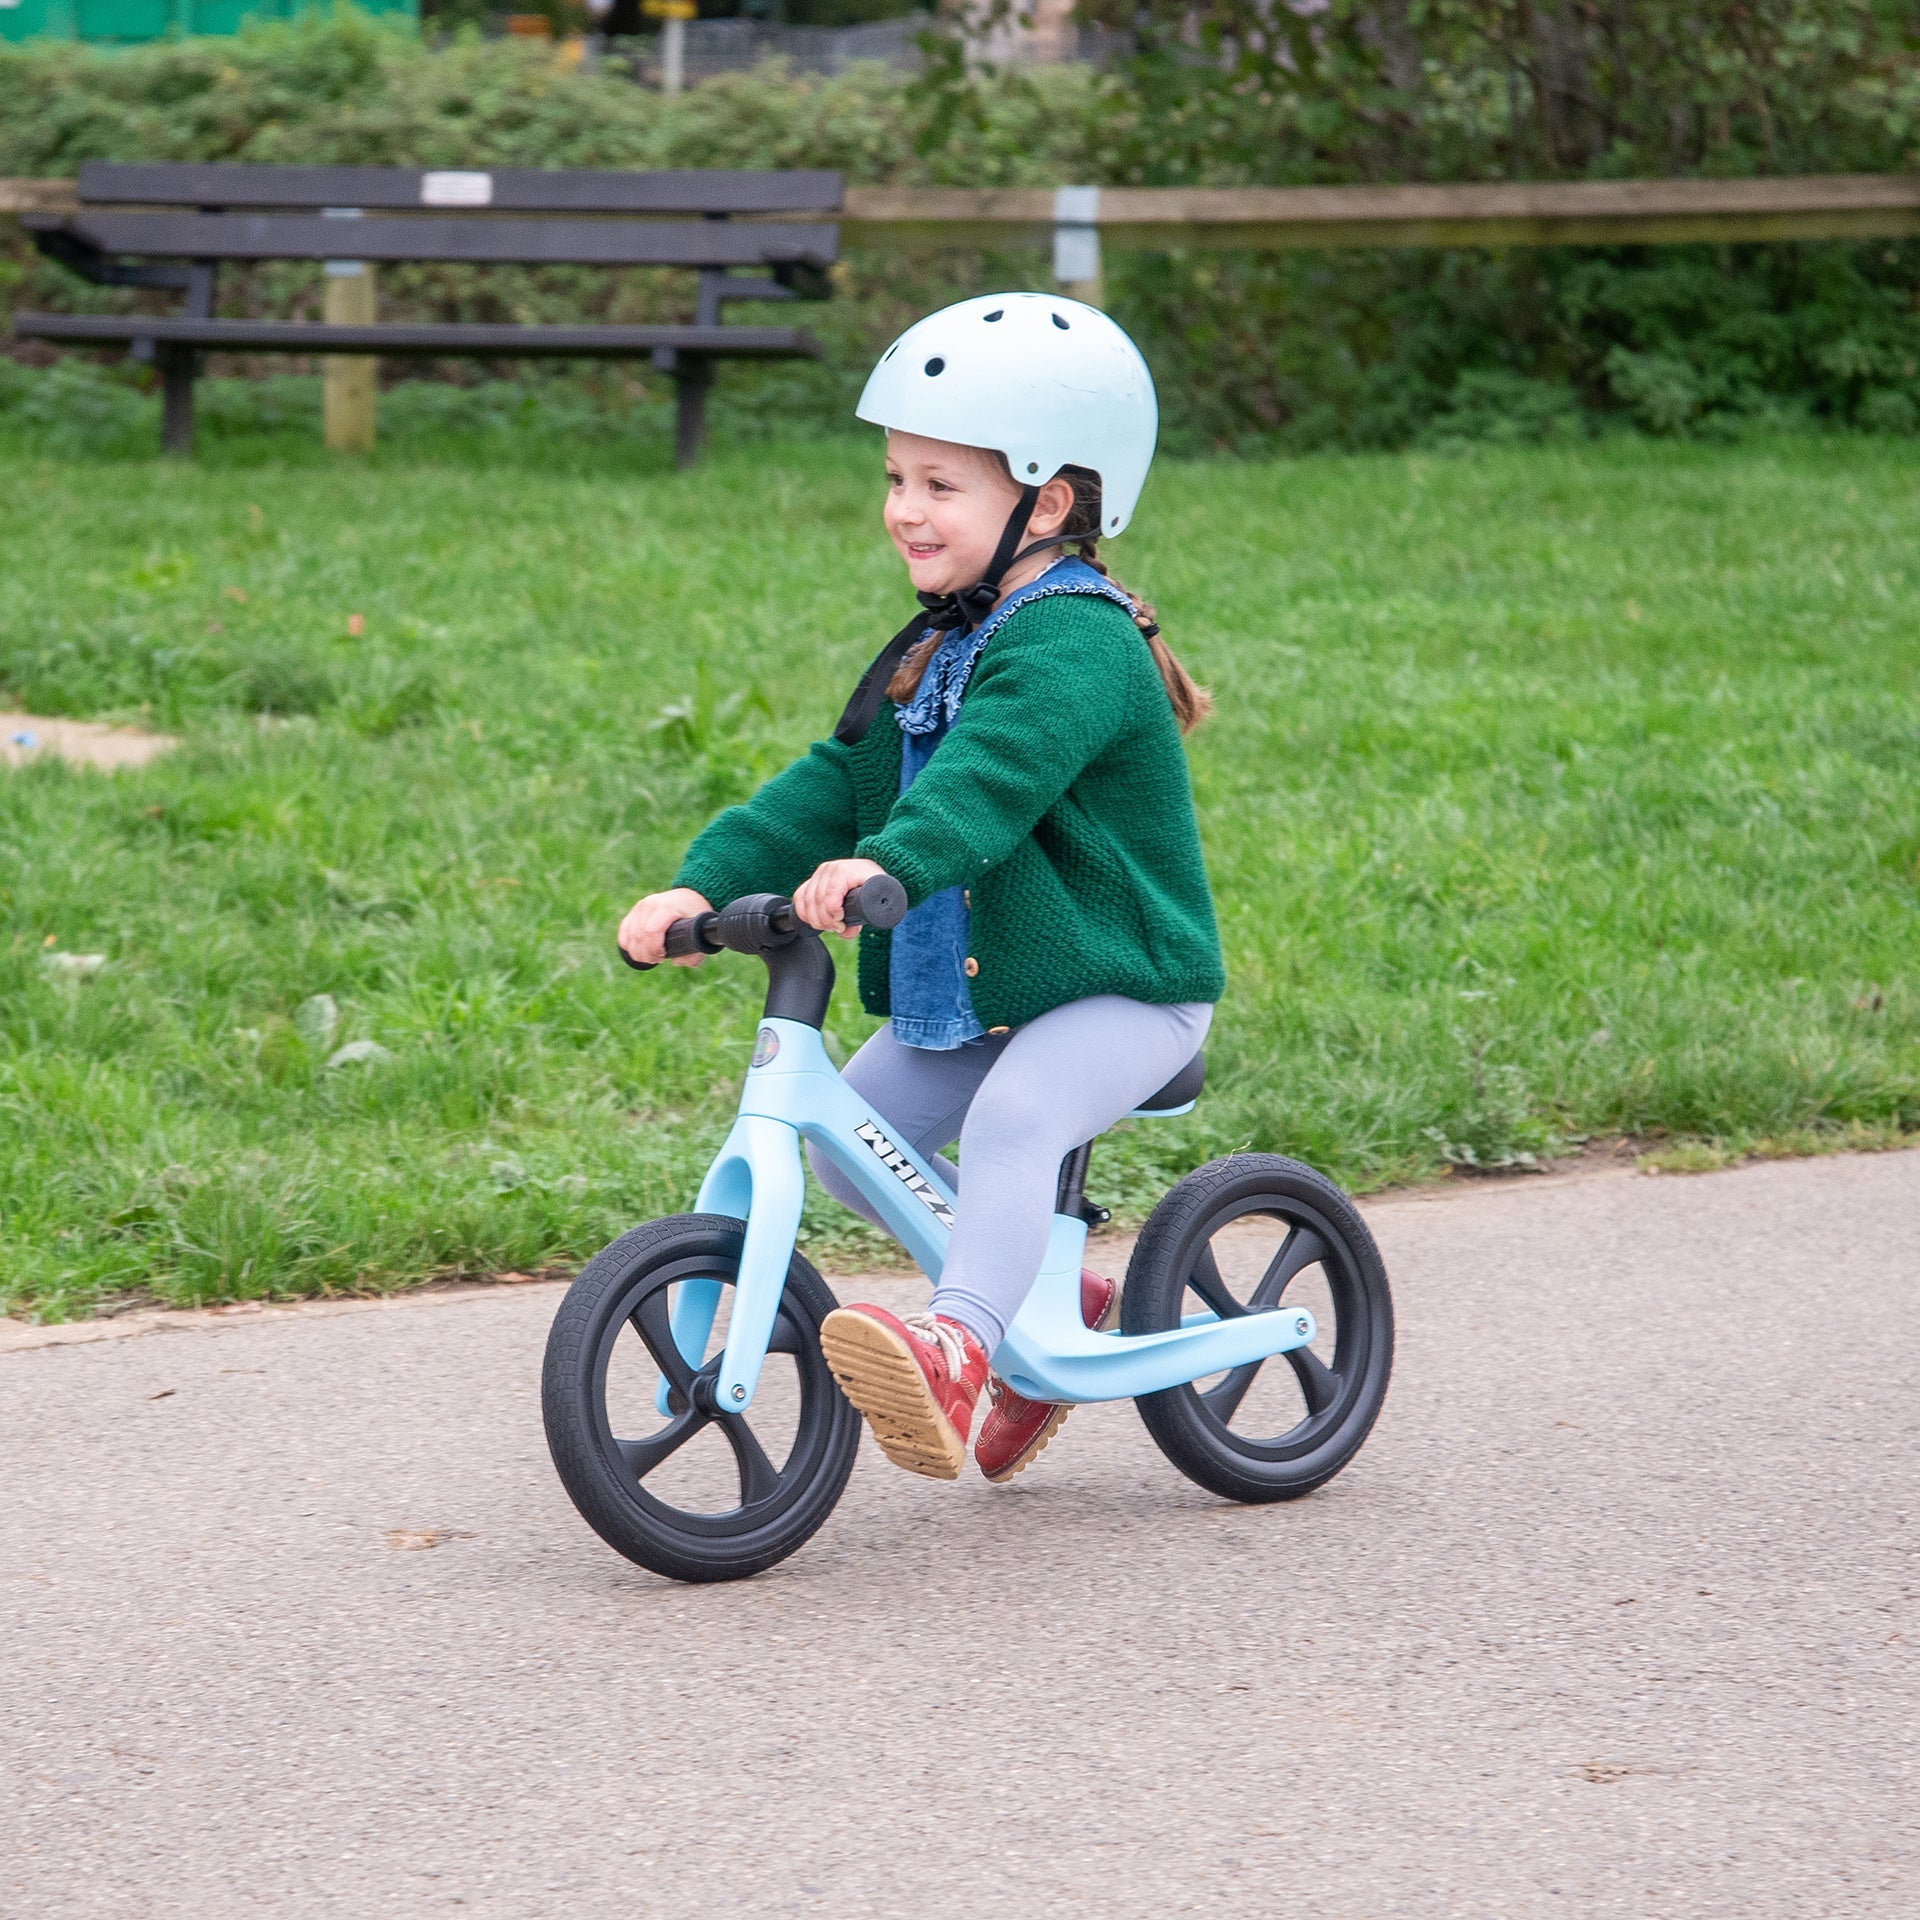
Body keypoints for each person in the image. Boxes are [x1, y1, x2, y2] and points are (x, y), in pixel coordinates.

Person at [617, 292, 1224, 1484]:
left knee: (1011, 1123)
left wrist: (893, 863)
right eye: (897, 477)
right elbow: (828, 784)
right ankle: (1057, 1289)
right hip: (994, 993)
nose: (903, 509)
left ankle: (963, 1342)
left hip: (1123, 987)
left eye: (941, 485)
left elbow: (988, 786)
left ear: (1048, 501)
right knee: (850, 1151)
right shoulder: (935, 644)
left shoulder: (1076, 643)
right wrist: (695, 889)